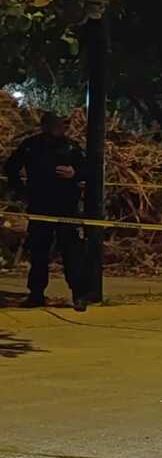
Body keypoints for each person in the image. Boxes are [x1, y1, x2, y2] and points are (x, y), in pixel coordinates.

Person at [3, 113, 88, 310]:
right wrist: (21, 191)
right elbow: (11, 167)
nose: (59, 128)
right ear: (44, 126)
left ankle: (79, 294)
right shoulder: (31, 146)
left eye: (60, 125)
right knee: (39, 251)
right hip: (40, 206)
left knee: (72, 252)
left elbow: (88, 170)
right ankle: (36, 294)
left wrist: (75, 173)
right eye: (54, 125)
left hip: (66, 207)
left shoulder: (71, 147)